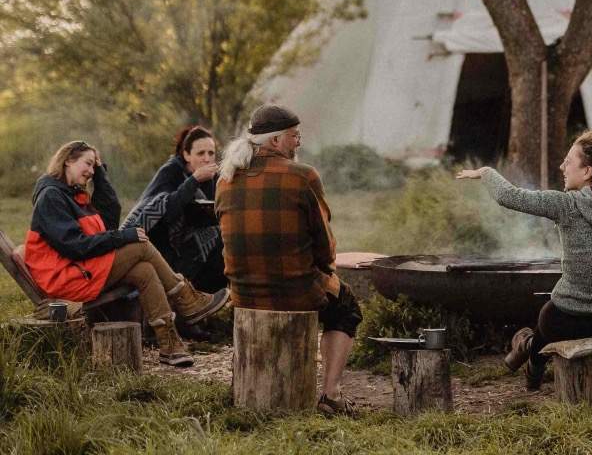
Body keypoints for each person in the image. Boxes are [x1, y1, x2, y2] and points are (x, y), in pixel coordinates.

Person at [457, 117, 592, 390]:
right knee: (552, 323)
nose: (562, 167)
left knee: (544, 327)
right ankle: (527, 348)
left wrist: (486, 172)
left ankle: (530, 357)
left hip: (565, 319)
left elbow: (510, 196)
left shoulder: (564, 205)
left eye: (568, 161)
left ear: (587, 172)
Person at [24, 141, 230, 367]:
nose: (91, 171)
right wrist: (123, 237)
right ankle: (185, 298)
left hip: (80, 269)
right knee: (140, 244)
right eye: (88, 164)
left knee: (144, 271)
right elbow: (75, 246)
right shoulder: (51, 197)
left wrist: (101, 174)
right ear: (68, 161)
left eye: (95, 166)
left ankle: (170, 345)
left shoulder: (73, 195)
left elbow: (111, 213)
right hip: (64, 278)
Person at [216, 105, 362, 416]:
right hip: (296, 292)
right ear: (274, 141)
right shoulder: (303, 176)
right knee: (347, 308)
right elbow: (325, 247)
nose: (299, 142)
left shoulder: (225, 178)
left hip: (242, 293)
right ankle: (331, 394)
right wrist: (327, 273)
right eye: (294, 136)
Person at [123, 126, 226, 293]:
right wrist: (193, 180)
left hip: (187, 241)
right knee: (215, 239)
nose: (207, 159)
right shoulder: (170, 172)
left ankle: (207, 299)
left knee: (224, 238)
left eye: (211, 153)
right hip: (159, 245)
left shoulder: (213, 179)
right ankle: (190, 296)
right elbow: (164, 211)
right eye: (201, 153)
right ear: (186, 155)